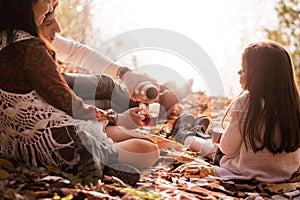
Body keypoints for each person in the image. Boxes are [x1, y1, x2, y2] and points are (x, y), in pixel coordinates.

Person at [0, 0, 159, 186]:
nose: (49, 8)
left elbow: (74, 52)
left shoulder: (6, 37)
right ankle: (101, 157)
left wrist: (117, 113)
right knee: (149, 149)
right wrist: (112, 116)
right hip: (58, 143)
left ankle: (106, 166)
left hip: (19, 148)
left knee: (124, 133)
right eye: (46, 2)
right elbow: (68, 103)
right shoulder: (30, 48)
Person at [170, 40, 300, 183]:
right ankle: (199, 131)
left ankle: (184, 134)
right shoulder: (294, 106)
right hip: (284, 173)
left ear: (259, 77)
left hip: (243, 170)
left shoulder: (246, 103)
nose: (238, 72)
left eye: (243, 70)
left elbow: (227, 148)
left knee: (211, 146)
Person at [38, 0, 193, 120]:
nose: (58, 28)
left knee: (105, 84)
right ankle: (159, 106)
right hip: (43, 104)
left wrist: (125, 73)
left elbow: (72, 51)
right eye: (49, 23)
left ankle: (156, 99)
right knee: (105, 104)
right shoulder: (25, 45)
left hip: (51, 87)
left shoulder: (35, 28)